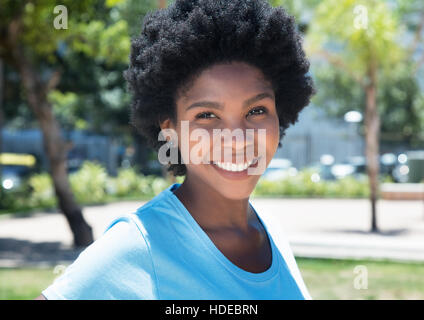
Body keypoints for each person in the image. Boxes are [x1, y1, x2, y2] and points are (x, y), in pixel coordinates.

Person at [36, 0, 315, 300]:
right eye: (207, 115)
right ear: (170, 130)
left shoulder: (269, 230)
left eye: (257, 110)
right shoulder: (138, 247)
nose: (237, 139)